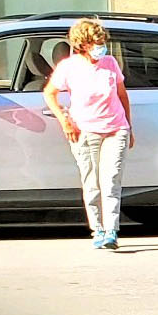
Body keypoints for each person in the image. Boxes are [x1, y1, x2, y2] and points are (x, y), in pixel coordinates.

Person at [40, 18, 134, 250]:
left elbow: (122, 96)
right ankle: (98, 229)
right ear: (83, 44)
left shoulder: (110, 63)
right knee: (91, 180)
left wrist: (129, 127)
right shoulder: (69, 67)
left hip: (116, 128)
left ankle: (112, 230)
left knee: (111, 179)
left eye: (102, 42)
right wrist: (64, 121)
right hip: (85, 129)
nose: (101, 47)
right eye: (96, 43)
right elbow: (49, 93)